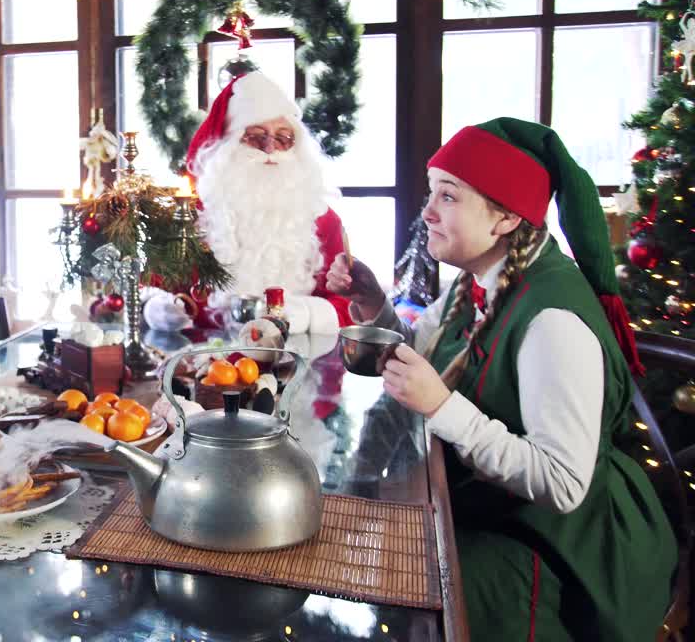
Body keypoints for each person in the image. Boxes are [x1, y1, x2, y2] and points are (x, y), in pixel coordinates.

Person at [327, 117, 676, 641]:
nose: (426, 213)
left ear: (506, 217)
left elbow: (563, 485)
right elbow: (428, 358)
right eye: (430, 193)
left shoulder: (552, 321)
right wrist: (376, 304)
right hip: (489, 509)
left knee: (406, 593)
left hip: (564, 550)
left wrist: (443, 409)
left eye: (448, 196)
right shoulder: (479, 282)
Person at [184, 70, 352, 335]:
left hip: (300, 363)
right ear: (229, 145)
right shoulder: (195, 215)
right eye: (256, 136)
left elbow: (350, 303)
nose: (270, 149)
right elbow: (160, 289)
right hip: (210, 365)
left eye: (283, 138)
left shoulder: (322, 218)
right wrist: (164, 310)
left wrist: (308, 314)